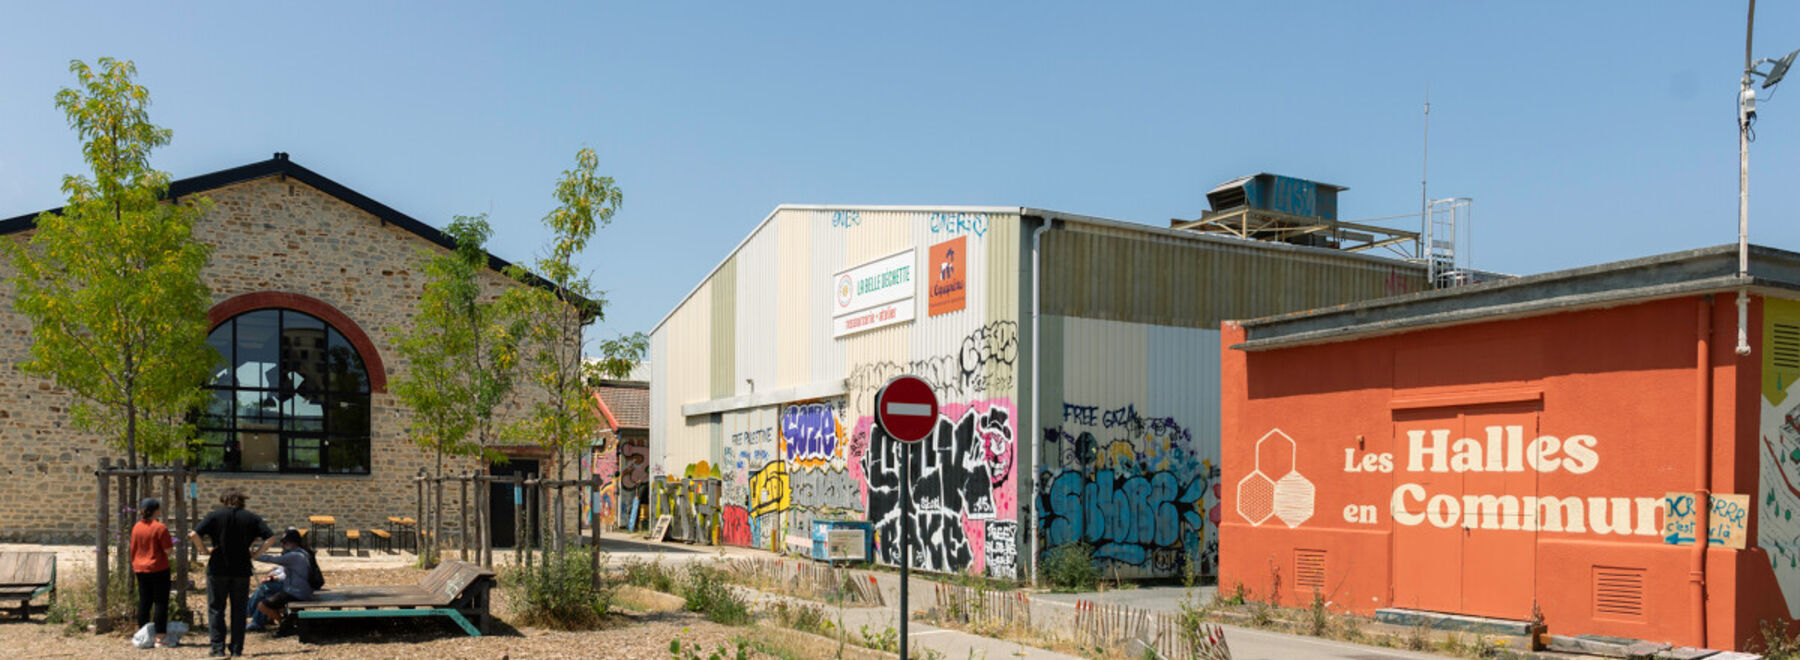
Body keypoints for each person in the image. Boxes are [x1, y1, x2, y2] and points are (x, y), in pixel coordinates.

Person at [190, 488, 275, 658]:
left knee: (216, 608)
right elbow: (271, 537)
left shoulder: (215, 515)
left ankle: (217, 647)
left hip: (218, 567)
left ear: (224, 500)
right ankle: (236, 649)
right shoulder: (251, 517)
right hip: (242, 568)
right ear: (242, 500)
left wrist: (205, 550)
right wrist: (257, 553)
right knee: (239, 610)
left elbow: (193, 534)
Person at [245, 529, 313, 632]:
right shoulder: (300, 553)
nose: (282, 545)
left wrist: (254, 555)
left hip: (295, 591)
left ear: (292, 542)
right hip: (296, 588)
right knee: (267, 590)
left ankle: (250, 612)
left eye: (285, 542)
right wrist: (272, 575)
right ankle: (257, 620)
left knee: (265, 589)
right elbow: (282, 569)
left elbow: (273, 559)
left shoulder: (295, 556)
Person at [130, 497, 175, 648]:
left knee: (144, 601)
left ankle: (143, 634)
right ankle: (160, 637)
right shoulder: (160, 527)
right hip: (158, 567)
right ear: (156, 510)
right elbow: (168, 550)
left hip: (140, 568)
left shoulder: (136, 527)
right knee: (161, 602)